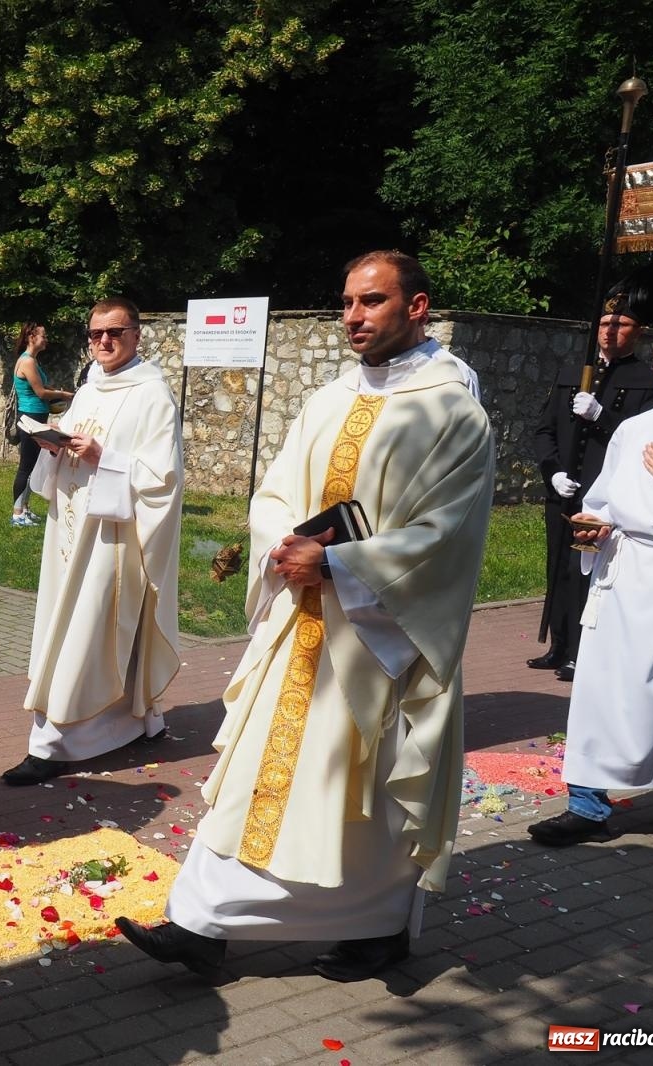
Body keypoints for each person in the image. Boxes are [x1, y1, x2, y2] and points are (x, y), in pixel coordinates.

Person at [115, 250, 495, 983]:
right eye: (347, 302)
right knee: (256, 777)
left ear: (417, 307)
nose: (353, 316)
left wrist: (341, 564)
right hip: (302, 622)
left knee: (361, 794)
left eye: (372, 301)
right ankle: (200, 923)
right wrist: (285, 547)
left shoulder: (453, 412)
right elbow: (276, 492)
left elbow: (447, 536)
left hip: (381, 639)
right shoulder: (328, 399)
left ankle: (378, 926)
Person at [527, 311, 653, 847]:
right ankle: (586, 804)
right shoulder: (636, 428)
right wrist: (596, 523)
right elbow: (606, 497)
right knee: (600, 692)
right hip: (623, 573)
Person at [1, 297, 183, 786]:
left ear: (136, 335)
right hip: (69, 527)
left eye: (115, 332)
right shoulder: (88, 389)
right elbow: (72, 443)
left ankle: (53, 744)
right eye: (96, 333)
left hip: (113, 535)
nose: (104, 340)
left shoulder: (153, 395)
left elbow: (163, 478)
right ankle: (137, 721)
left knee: (92, 629)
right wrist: (53, 442)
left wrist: (106, 458)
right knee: (76, 626)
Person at [530, 261, 653, 682]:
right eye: (605, 323)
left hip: (601, 495)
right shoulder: (574, 374)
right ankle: (558, 644)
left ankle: (581, 650)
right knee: (557, 566)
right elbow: (544, 430)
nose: (609, 331)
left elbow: (641, 439)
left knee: (585, 570)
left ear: (638, 331)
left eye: (620, 324)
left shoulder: (648, 380)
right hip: (563, 490)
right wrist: (552, 471)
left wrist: (601, 415)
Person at [10, 322, 73, 526]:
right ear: (31, 337)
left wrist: (56, 391)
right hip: (30, 418)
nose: (46, 339)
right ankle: (17, 514)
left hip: (35, 416)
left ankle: (25, 508)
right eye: (43, 336)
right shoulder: (27, 362)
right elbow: (40, 392)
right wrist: (64, 395)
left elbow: (43, 386)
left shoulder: (31, 361)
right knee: (26, 467)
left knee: (33, 464)